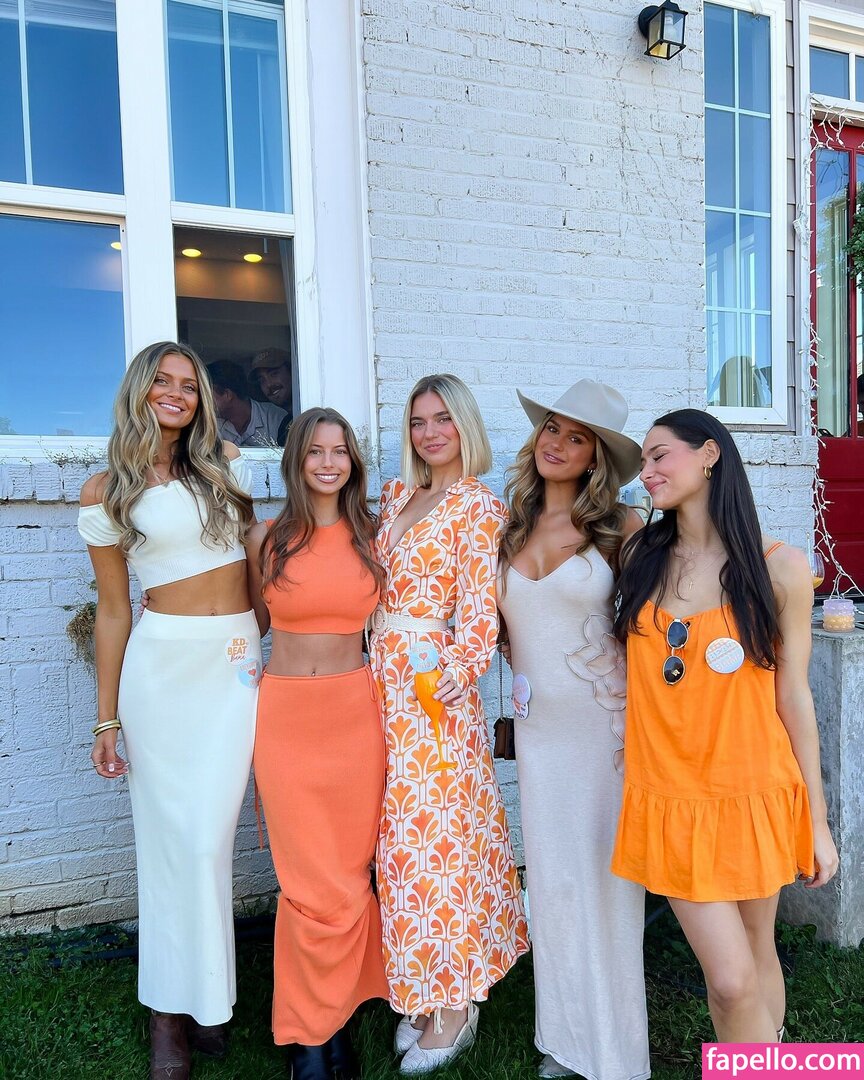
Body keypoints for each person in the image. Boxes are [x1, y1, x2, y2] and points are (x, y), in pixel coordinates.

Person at [612, 409, 839, 1043]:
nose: (647, 472)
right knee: (732, 980)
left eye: (660, 455)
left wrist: (817, 822)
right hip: (671, 796)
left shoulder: (780, 568)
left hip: (755, 789)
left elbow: (794, 696)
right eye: (643, 461)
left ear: (710, 454)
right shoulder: (639, 554)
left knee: (758, 956)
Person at [77, 341, 260, 1080]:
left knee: (208, 841)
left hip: (233, 665)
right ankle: (170, 1015)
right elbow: (113, 611)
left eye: (189, 384)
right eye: (163, 382)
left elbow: (256, 562)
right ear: (139, 391)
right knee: (167, 842)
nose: (177, 394)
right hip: (161, 673)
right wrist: (106, 718)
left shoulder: (226, 466)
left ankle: (208, 996)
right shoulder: (104, 491)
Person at [370, 374, 530, 1075]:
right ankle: (422, 982)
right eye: (418, 421)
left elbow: (479, 619)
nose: (430, 432)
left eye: (443, 419)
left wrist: (446, 684)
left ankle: (457, 1001)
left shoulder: (477, 507)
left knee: (441, 844)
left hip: (433, 698)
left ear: (465, 425)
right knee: (401, 848)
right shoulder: (396, 497)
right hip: (379, 688)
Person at [497, 380, 650, 1080]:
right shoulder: (511, 524)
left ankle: (614, 1053)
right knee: (553, 883)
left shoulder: (623, 526)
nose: (555, 443)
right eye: (551, 428)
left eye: (576, 436)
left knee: (607, 886)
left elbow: (656, 625)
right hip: (539, 735)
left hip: (604, 729)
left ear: (597, 457)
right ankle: (562, 1040)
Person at [246, 408, 388, 1080]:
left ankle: (334, 1017)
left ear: (352, 462)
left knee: (348, 873)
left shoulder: (375, 535)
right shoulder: (267, 538)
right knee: (305, 879)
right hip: (286, 719)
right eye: (316, 452)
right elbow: (247, 624)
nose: (329, 463)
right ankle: (309, 1037)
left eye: (340, 451)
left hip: (355, 718)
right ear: (296, 461)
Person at [208, 360, 289, 447]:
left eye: (206, 395)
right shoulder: (210, 425)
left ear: (227, 394)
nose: (203, 401)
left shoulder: (276, 418)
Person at [251, 347, 293, 413]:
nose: (268, 384)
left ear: (291, 371)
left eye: (274, 374)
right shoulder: (267, 416)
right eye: (261, 380)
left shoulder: (308, 405)